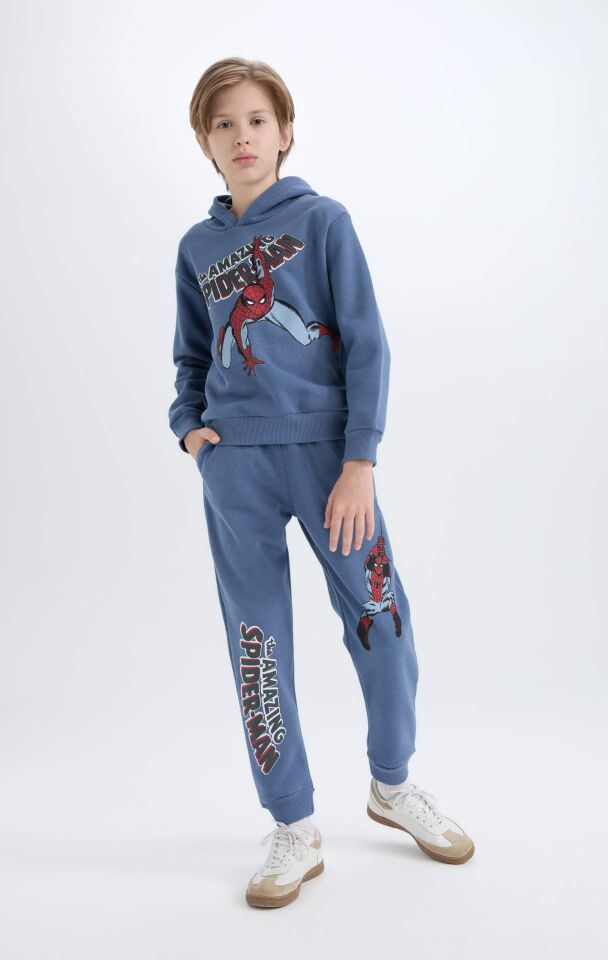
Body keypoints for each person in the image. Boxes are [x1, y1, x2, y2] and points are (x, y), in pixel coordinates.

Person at [168, 57, 475, 909]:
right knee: (257, 643)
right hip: (236, 468)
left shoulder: (324, 221)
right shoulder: (197, 247)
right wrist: (190, 430)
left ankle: (393, 783)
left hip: (329, 461)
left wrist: (359, 461)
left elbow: (368, 343)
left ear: (286, 132)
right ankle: (293, 824)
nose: (242, 137)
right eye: (224, 124)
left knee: (380, 616)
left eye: (256, 120)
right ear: (204, 142)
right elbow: (190, 354)